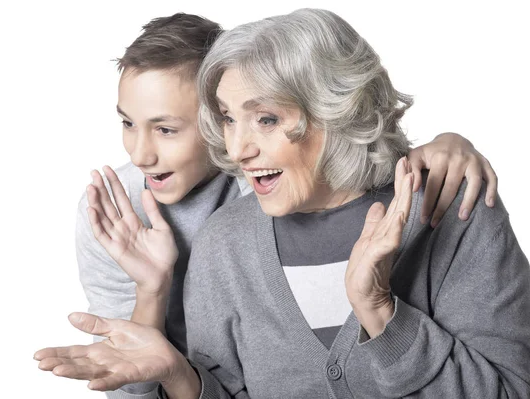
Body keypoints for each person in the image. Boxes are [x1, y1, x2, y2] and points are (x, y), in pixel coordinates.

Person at [35, 10, 517, 398]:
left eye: (265, 119)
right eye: (227, 119)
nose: (238, 149)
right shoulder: (219, 241)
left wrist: (380, 311)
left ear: (336, 108)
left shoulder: (456, 211)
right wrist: (179, 377)